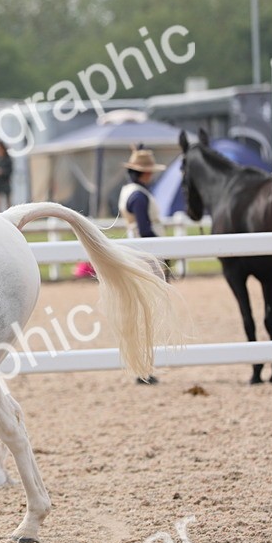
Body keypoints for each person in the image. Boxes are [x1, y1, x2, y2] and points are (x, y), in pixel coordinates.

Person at [117, 146, 167, 385]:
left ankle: (142, 366)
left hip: (135, 252)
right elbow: (146, 231)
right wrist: (166, 251)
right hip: (146, 256)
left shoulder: (129, 191)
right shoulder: (139, 196)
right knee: (147, 313)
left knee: (140, 312)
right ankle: (143, 368)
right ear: (144, 173)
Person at [0, 140, 14, 212]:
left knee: (7, 200)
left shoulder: (7, 159)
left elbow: (10, 171)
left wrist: (1, 172)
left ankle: (10, 212)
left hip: (5, 181)